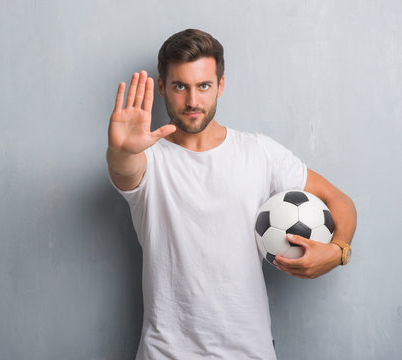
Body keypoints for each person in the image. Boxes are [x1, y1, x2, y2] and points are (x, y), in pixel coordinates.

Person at [106, 29, 357, 359]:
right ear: (163, 87)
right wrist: (120, 151)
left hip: (248, 351)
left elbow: (340, 201)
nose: (193, 101)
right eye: (180, 86)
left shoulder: (259, 152)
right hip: (164, 353)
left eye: (203, 86)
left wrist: (338, 251)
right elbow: (124, 170)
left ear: (220, 86)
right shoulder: (148, 159)